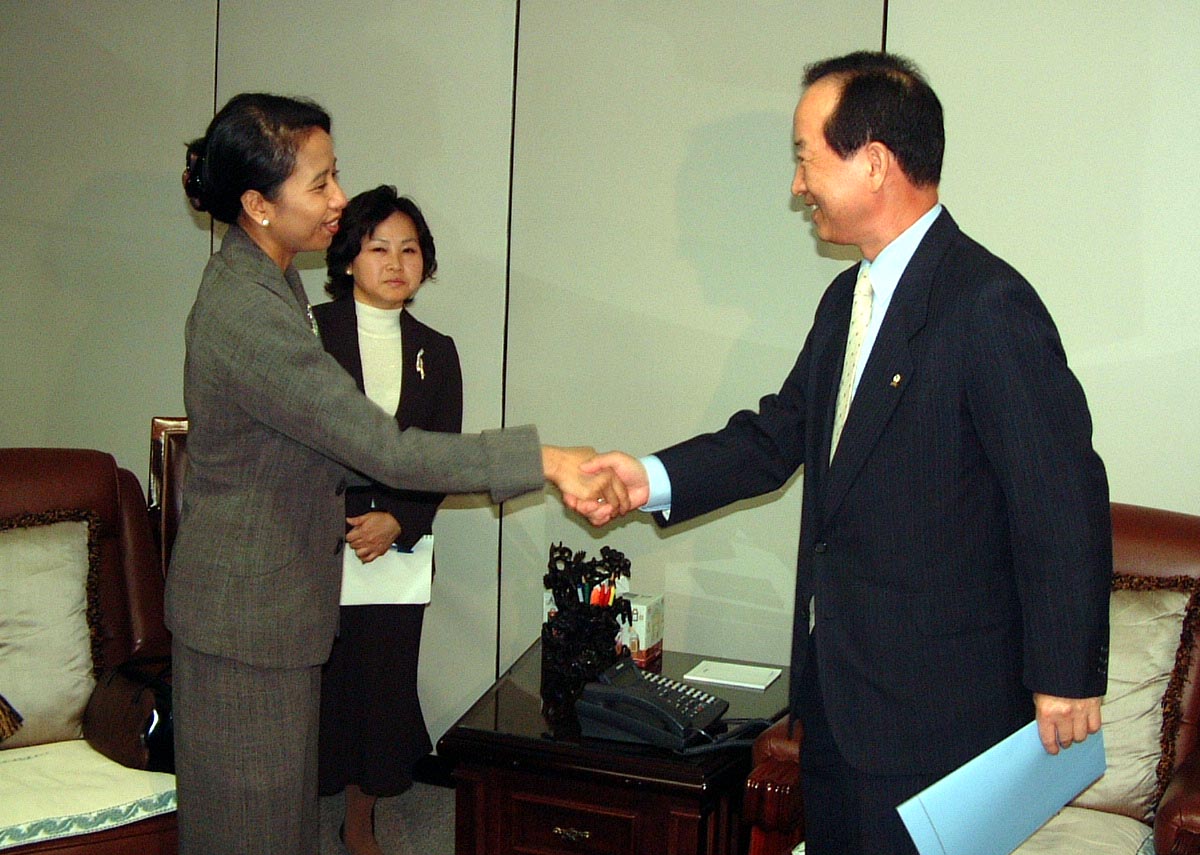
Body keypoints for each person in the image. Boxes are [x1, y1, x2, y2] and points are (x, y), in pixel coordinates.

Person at [575, 52, 1111, 855]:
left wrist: (1065, 674)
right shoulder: (845, 299)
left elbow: (1061, 495)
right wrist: (646, 478)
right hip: (838, 700)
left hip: (940, 716)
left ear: (874, 162)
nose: (798, 185)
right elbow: (779, 433)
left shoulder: (986, 303)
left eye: (805, 158)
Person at [171, 93, 627, 855]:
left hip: (272, 604)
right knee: (250, 831)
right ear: (257, 204)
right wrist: (544, 459)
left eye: (335, 175)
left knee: (282, 823)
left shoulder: (272, 280)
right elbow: (384, 449)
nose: (339, 199)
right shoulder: (248, 311)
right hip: (244, 620)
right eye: (319, 183)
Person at [313, 186, 457, 855]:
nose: (396, 263)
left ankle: (361, 815)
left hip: (395, 548)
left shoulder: (438, 350)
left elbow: (442, 456)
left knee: (381, 690)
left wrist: (397, 519)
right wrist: (347, 518)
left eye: (410, 250)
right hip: (318, 538)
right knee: (320, 687)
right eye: (379, 249)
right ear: (349, 258)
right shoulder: (309, 332)